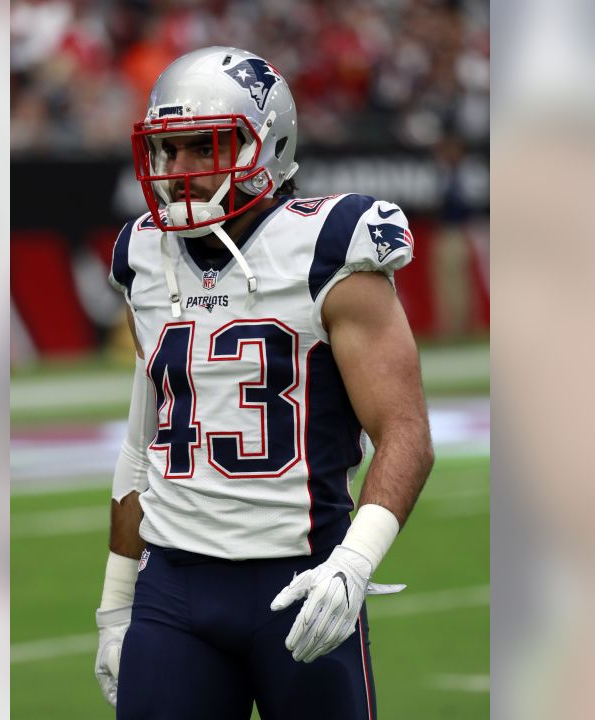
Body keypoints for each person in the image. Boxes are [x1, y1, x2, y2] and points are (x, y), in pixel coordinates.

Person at [94, 46, 434, 719]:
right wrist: (115, 603)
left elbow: (405, 434)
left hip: (303, 575)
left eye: (203, 146)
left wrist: (354, 564)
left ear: (266, 144)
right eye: (169, 151)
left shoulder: (331, 248)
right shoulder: (143, 255)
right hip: (173, 592)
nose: (180, 171)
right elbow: (142, 445)